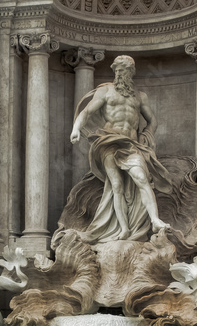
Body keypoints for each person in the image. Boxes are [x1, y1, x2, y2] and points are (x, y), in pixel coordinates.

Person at [69, 55, 172, 243]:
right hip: (109, 142)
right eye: (116, 70)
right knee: (116, 186)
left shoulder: (140, 96)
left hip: (131, 144)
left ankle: (155, 220)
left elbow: (152, 120)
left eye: (122, 70)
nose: (118, 73)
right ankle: (124, 229)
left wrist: (147, 135)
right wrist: (76, 128)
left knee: (142, 178)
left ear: (131, 72)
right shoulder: (106, 92)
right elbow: (87, 111)